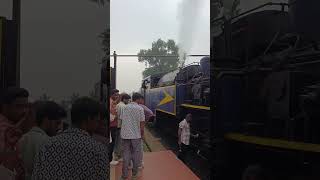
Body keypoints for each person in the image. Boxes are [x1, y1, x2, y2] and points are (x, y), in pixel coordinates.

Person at [31, 97, 109, 180]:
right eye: (97, 120)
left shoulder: (46, 145)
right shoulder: (98, 150)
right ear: (89, 119)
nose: (98, 125)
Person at [17, 101, 67, 180]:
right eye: (57, 123)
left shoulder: (22, 139)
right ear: (46, 120)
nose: (59, 128)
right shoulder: (49, 143)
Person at [0, 87, 30, 180]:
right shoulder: (5, 130)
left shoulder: (14, 128)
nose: (24, 111)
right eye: (19, 106)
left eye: (26, 106)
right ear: (5, 107)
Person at [120, 93, 145, 180]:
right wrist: (142, 134)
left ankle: (124, 176)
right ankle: (134, 175)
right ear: (138, 99)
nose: (141, 101)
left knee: (126, 155)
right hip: (136, 135)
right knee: (136, 155)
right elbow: (142, 123)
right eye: (141, 99)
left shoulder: (125, 107)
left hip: (125, 135)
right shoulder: (140, 109)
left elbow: (122, 120)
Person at [138, 97, 154, 168]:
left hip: (130, 131)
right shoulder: (141, 107)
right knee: (139, 147)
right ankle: (140, 163)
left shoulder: (127, 107)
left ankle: (131, 164)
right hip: (139, 130)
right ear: (140, 99)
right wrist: (145, 121)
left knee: (131, 149)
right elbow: (151, 113)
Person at [114, 93, 131, 162]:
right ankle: (118, 156)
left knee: (117, 141)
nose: (128, 101)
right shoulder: (123, 106)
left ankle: (116, 154)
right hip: (121, 126)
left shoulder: (118, 105)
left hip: (117, 125)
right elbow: (123, 118)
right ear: (124, 99)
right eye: (127, 100)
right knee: (120, 142)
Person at [110, 89, 120, 164]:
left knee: (113, 142)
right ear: (112, 95)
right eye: (116, 95)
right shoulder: (110, 103)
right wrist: (117, 115)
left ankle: (112, 158)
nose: (117, 96)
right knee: (112, 142)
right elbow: (111, 118)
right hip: (112, 126)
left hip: (114, 125)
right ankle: (110, 159)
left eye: (118, 95)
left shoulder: (113, 102)